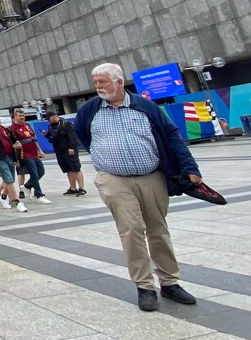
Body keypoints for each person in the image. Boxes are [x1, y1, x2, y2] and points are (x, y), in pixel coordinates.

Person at [74, 62, 200, 312]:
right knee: (131, 229)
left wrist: (190, 168)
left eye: (103, 82)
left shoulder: (146, 107)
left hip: (151, 176)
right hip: (113, 178)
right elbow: (82, 134)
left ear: (119, 82)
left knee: (157, 229)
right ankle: (144, 286)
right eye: (96, 82)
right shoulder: (90, 110)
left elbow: (171, 136)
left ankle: (169, 282)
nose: (98, 87)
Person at [0, 114, 27, 213]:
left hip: (10, 157)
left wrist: (18, 144)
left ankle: (2, 197)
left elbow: (14, 141)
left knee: (9, 180)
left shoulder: (6, 130)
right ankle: (16, 202)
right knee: (9, 180)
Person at [10, 110, 50, 204]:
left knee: (41, 171)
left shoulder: (27, 125)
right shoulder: (12, 128)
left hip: (34, 153)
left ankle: (27, 186)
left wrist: (40, 150)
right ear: (15, 117)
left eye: (23, 115)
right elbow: (11, 143)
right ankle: (39, 194)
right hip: (24, 154)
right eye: (20, 115)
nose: (22, 117)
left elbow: (34, 139)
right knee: (34, 173)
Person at [45, 111, 86, 196]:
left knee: (76, 168)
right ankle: (73, 188)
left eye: (50, 119)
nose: (49, 121)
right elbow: (52, 137)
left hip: (69, 150)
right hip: (59, 151)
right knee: (68, 169)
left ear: (54, 116)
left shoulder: (66, 124)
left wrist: (71, 147)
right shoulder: (50, 126)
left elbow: (72, 136)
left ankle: (82, 188)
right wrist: (46, 135)